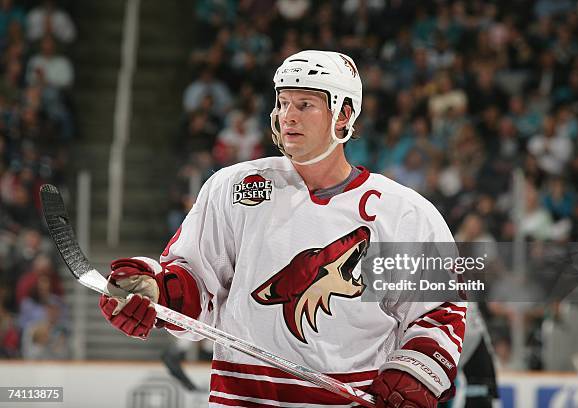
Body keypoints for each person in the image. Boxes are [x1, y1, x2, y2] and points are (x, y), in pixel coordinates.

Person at [98, 50, 466, 407]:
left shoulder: (403, 212)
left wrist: (416, 371)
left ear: (343, 115)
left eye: (305, 105)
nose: (288, 116)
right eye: (283, 103)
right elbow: (196, 279)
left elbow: (439, 308)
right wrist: (157, 293)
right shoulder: (237, 187)